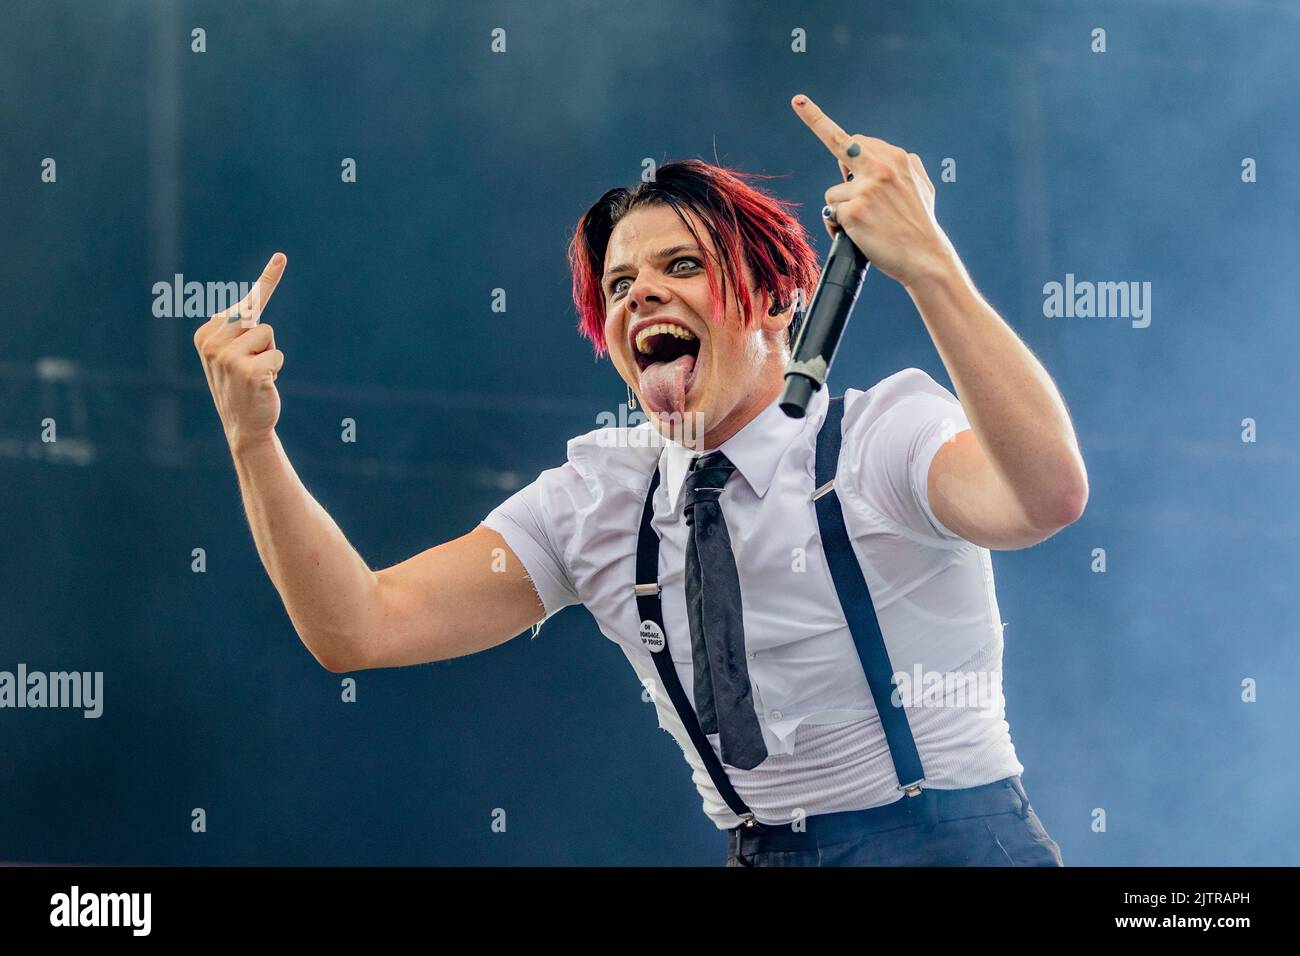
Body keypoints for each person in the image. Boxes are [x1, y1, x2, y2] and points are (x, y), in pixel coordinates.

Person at [192, 94, 1085, 866]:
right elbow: (360, 626)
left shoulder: (877, 436)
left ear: (777, 301)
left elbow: (1045, 495)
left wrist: (926, 261)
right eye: (619, 284)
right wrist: (251, 442)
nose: (640, 296)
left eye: (682, 267)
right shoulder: (600, 501)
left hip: (954, 844)